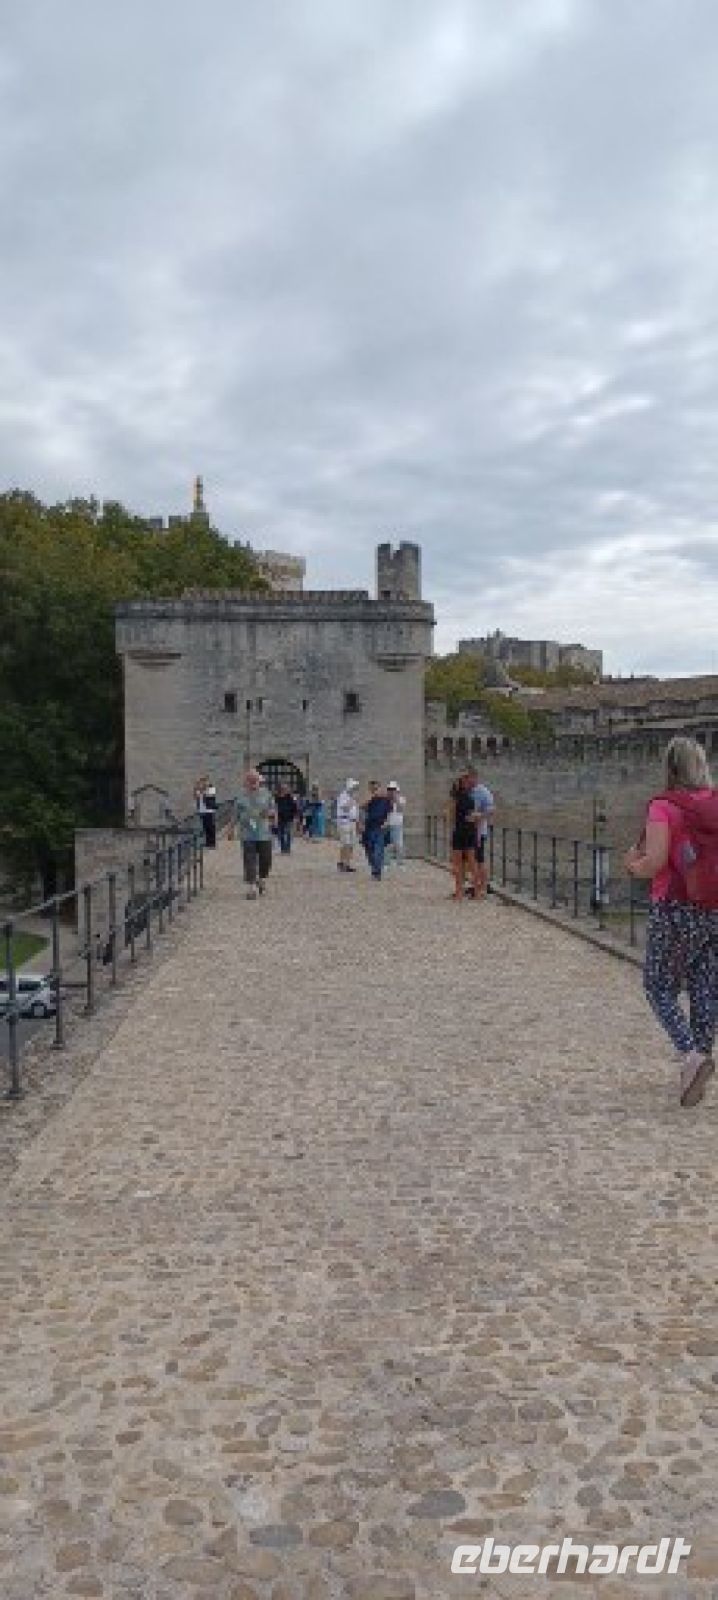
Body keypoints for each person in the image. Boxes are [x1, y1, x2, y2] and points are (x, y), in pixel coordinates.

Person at [625, 736, 718, 1107]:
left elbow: (655, 861)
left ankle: (690, 1055)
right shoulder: (715, 803)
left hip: (675, 906)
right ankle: (700, 1059)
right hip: (714, 906)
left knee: (658, 985)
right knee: (705, 984)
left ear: (670, 767)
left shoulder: (663, 806)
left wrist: (632, 864)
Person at [232, 769, 276, 900]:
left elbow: (273, 810)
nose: (252, 783)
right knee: (249, 860)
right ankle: (251, 888)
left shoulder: (267, 795)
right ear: (246, 782)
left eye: (254, 780)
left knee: (266, 860)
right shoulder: (240, 797)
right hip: (247, 834)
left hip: (264, 833)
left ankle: (261, 878)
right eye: (250, 780)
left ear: (259, 781)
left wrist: (272, 817)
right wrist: (230, 830)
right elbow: (235, 815)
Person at [450, 774, 482, 900]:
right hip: (469, 832)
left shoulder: (456, 799)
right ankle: (477, 892)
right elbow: (473, 817)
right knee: (472, 863)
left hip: (460, 832)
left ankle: (459, 892)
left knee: (458, 864)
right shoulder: (470, 799)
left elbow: (451, 817)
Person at [468, 768, 494, 897]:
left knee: (479, 859)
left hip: (479, 831)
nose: (468, 780)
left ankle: (483, 886)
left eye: (470, 777)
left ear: (475, 777)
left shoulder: (484, 792)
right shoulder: (468, 791)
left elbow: (490, 811)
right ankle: (475, 884)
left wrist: (478, 816)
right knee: (472, 859)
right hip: (469, 830)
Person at [362, 780, 392, 880]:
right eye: (373, 788)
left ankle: (377, 872)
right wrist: (371, 798)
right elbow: (362, 807)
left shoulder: (386, 800)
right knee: (369, 849)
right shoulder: (369, 799)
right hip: (368, 827)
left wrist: (386, 823)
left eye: (376, 788)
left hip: (380, 827)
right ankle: (374, 866)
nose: (375, 790)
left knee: (378, 850)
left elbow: (389, 812)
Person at [336, 779, 360, 872]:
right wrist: (352, 801)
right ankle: (343, 862)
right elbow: (345, 808)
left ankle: (347, 863)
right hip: (344, 821)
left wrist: (358, 822)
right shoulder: (343, 796)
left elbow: (355, 811)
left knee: (351, 844)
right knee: (345, 843)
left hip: (352, 822)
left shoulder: (353, 797)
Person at [386, 781, 406, 867]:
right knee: (387, 844)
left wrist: (396, 799)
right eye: (390, 789)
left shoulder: (401, 799)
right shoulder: (386, 800)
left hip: (397, 823)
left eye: (393, 789)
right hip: (388, 823)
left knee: (399, 844)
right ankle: (386, 861)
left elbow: (400, 809)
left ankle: (400, 861)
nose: (391, 791)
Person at [194, 776, 217, 849]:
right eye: (202, 781)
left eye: (204, 781)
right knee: (205, 827)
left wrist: (202, 789)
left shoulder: (211, 788)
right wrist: (196, 787)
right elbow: (195, 796)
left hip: (209, 810)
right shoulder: (199, 789)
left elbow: (209, 796)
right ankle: (207, 843)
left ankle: (212, 843)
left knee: (211, 827)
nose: (203, 783)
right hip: (202, 810)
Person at [275, 784, 297, 854]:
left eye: (285, 789)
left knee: (288, 833)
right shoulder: (277, 798)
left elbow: (294, 807)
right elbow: (275, 807)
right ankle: (283, 848)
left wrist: (294, 816)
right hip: (280, 818)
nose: (284, 790)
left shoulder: (290, 798)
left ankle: (287, 848)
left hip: (289, 818)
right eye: (282, 789)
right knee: (280, 834)